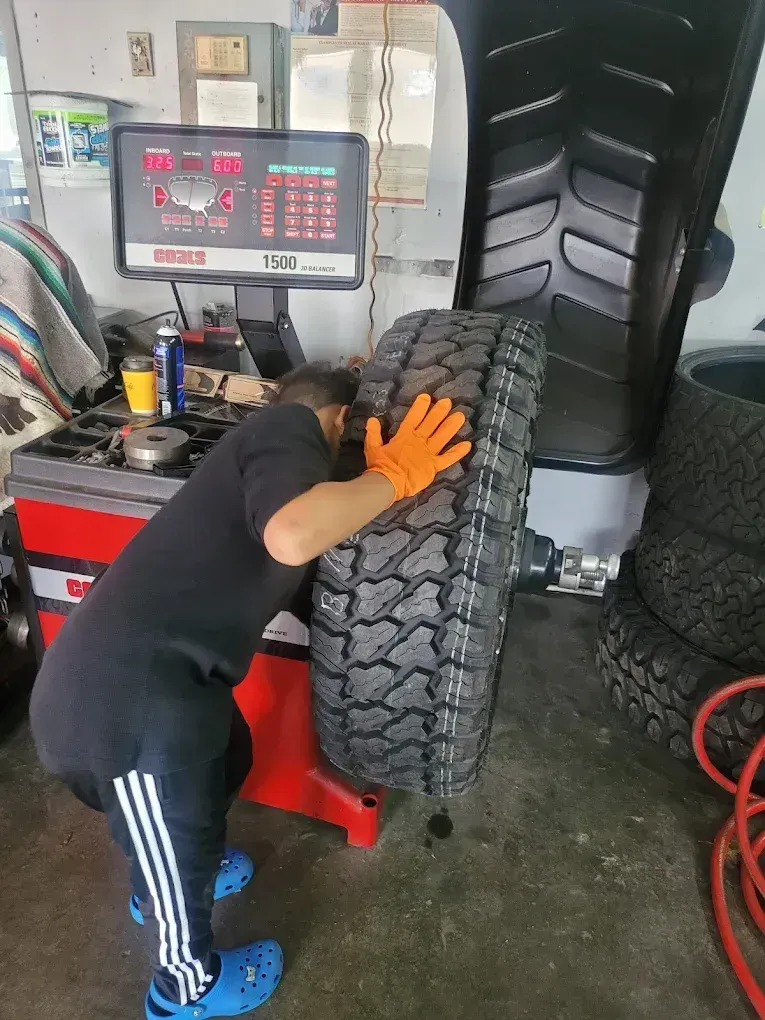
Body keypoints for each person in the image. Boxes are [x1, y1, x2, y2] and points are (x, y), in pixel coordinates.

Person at [29, 363, 471, 1020]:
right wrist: (392, 476)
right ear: (338, 420)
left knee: (220, 764)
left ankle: (183, 865)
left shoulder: (256, 459)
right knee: (174, 832)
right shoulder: (284, 424)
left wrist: (367, 488)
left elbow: (296, 529)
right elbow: (291, 535)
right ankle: (184, 988)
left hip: (169, 685)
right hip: (120, 710)